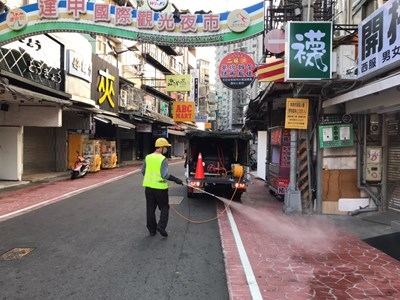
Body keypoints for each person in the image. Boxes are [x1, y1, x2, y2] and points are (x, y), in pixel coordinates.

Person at [141, 137, 183, 237]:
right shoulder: (163, 159)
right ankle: (161, 226)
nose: (166, 149)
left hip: (149, 188)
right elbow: (165, 175)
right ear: (162, 147)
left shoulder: (148, 157)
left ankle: (152, 230)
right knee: (164, 208)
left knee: (150, 209)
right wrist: (176, 180)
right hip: (160, 189)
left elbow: (143, 171)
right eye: (166, 147)